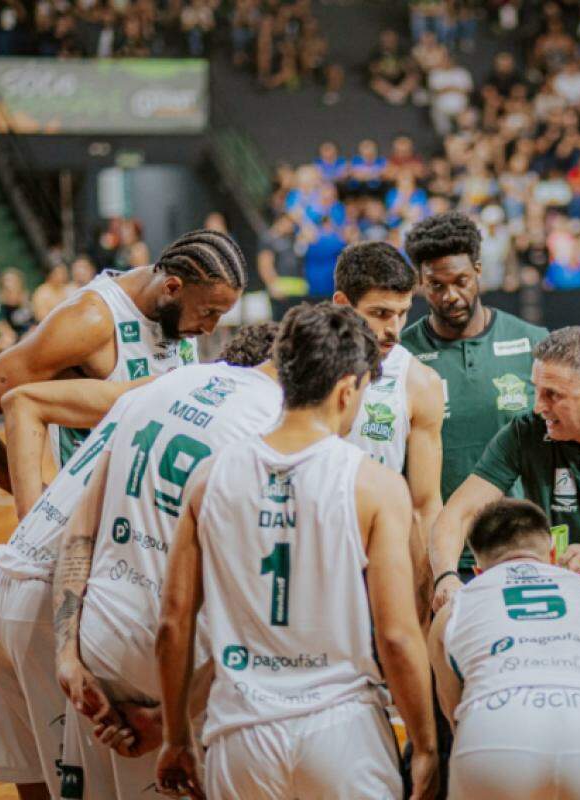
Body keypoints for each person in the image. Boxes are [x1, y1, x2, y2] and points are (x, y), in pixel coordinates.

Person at [0, 324, 277, 800]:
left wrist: (32, 520)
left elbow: (22, 401)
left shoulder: (161, 388)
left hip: (14, 574)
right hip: (64, 598)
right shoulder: (250, 420)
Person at [155, 304, 439, 800]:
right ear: (347, 388)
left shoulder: (210, 476)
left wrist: (176, 736)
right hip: (342, 730)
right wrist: (425, 744)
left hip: (240, 735)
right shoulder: (374, 485)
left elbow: (173, 624)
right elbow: (396, 635)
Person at [50, 321, 294, 798]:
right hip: (188, 669)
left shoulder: (165, 385)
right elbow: (258, 608)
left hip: (97, 645)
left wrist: (65, 654)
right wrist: (171, 724)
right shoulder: (275, 425)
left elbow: (81, 525)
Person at [0, 230, 243, 494]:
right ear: (172, 288)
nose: (210, 328)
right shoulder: (89, 320)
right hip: (97, 532)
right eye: (208, 313)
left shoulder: (176, 308)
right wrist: (44, 504)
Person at [430, 326, 580, 614]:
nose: (538, 406)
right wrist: (446, 577)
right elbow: (457, 514)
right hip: (558, 603)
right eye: (536, 390)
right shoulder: (525, 432)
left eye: (552, 395)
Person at [428, 498, 580, 800]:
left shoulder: (456, 607)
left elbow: (454, 716)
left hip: (498, 729)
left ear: (479, 571)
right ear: (553, 554)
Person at [400, 211, 548, 561]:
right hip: (440, 554)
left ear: (478, 270)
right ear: (420, 282)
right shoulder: (401, 358)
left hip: (523, 549)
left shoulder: (532, 343)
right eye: (437, 285)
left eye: (461, 281)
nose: (451, 295)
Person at [333, 241, 446, 614]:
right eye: (380, 313)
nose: (393, 329)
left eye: (402, 313)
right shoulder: (289, 366)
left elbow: (425, 505)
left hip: (376, 555)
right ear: (341, 304)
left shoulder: (418, 381)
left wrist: (422, 595)